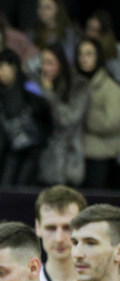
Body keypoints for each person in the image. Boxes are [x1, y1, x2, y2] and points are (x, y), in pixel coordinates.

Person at [0, 49, 53, 186]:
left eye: (1, 67)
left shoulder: (30, 87)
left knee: (21, 186)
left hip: (30, 149)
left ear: (14, 66)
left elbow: (46, 115)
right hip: (6, 151)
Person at [37, 45, 89, 187]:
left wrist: (49, 94)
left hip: (67, 158)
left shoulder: (78, 86)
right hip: (41, 156)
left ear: (61, 64)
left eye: (50, 63)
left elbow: (68, 120)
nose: (45, 68)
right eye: (43, 62)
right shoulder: (37, 84)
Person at [79, 38, 120, 189]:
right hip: (77, 154)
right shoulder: (75, 83)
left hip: (101, 155)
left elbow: (113, 121)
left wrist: (85, 116)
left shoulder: (109, 86)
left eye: (89, 54)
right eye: (80, 54)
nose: (83, 58)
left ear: (99, 57)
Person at [36, 185, 88, 281]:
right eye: (51, 228)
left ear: (83, 227)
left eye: (68, 228)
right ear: (38, 227)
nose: (59, 238)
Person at [29, 0, 80, 70]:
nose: (42, 11)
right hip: (37, 71)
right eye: (40, 7)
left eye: (47, 7)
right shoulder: (32, 33)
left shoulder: (69, 33)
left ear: (57, 10)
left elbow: (69, 59)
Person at [84, 11, 120, 83]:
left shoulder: (115, 49)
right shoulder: (87, 51)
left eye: (94, 30)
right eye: (89, 29)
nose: (90, 34)